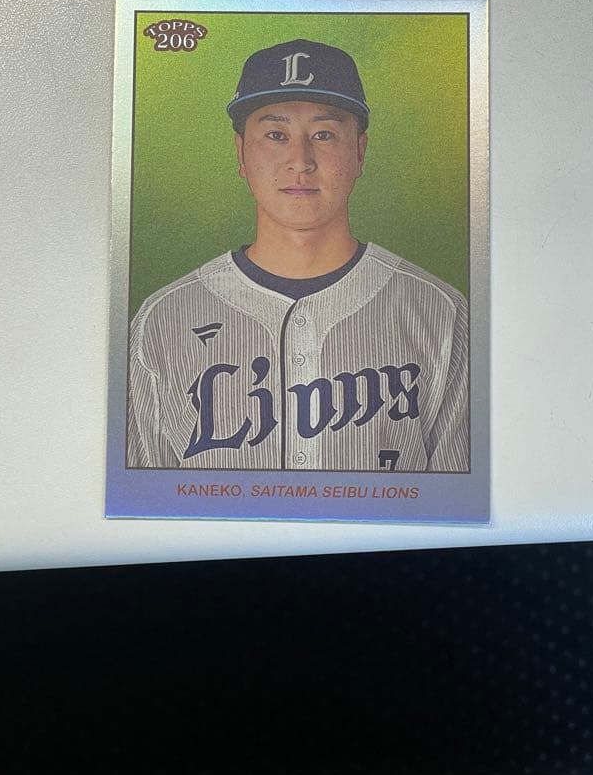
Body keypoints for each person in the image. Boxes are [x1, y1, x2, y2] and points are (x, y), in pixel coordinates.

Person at [127, 39, 468, 472]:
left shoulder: (441, 312)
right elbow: (144, 505)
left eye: (324, 134)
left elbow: (458, 503)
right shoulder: (162, 320)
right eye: (276, 135)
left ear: (360, 152)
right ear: (240, 153)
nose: (300, 161)